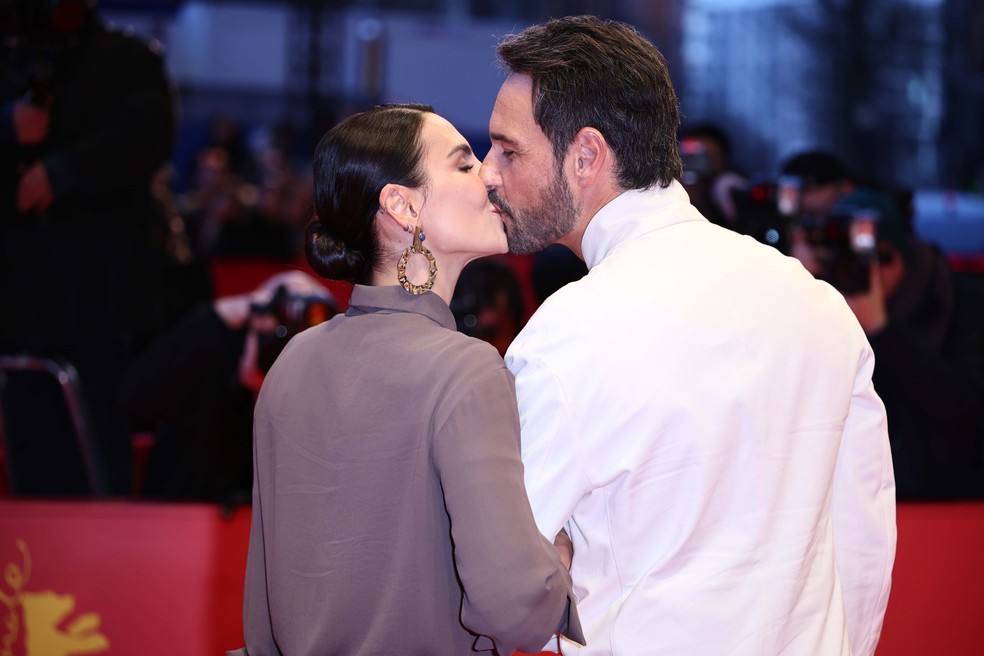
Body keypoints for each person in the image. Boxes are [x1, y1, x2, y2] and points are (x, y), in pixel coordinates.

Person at [481, 15, 896, 655]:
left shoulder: (568, 335)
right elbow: (863, 546)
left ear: (585, 156)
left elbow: (502, 576)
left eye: (508, 150)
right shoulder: (816, 302)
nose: (488, 172)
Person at [236, 104, 582, 655]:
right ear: (402, 205)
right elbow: (512, 604)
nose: (491, 175)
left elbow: (264, 608)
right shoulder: (465, 369)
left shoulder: (294, 361)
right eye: (464, 165)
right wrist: (559, 562)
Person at [0, 0, 177, 494]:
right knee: (28, 451)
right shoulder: (10, 54)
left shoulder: (127, 59)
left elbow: (148, 135)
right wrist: (8, 125)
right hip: (17, 298)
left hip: (98, 296)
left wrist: (64, 172)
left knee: (98, 452)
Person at [783, 150, 984, 499]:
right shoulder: (827, 303)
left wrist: (883, 330)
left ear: (901, 253)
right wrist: (800, 285)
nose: (868, 272)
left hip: (946, 495)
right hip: (853, 495)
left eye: (879, 258)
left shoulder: (957, 300)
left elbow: (964, 410)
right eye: (849, 259)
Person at [118, 270, 337, 502]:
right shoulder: (213, 355)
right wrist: (233, 310)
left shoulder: (324, 395)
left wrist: (269, 400)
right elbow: (133, 398)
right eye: (278, 333)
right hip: (185, 511)